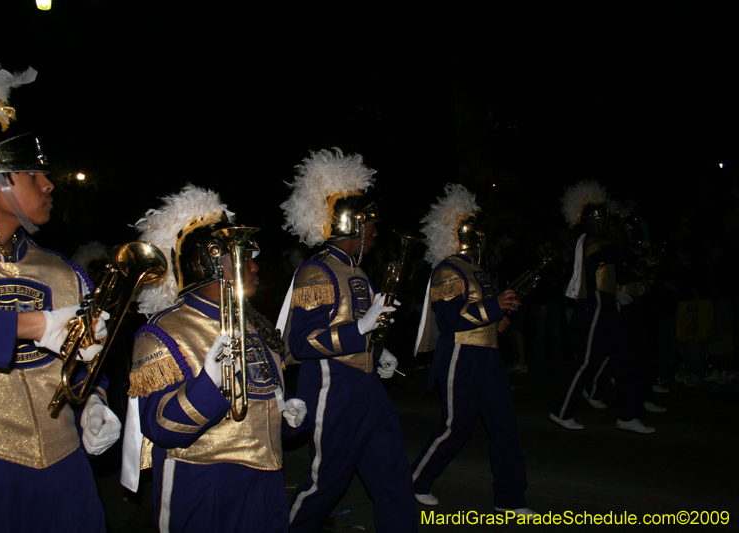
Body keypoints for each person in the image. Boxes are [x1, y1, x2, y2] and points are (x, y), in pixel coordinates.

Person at [0, 44, 119, 532]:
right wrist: (33, 324)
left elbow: (85, 359)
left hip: (64, 465)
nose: (49, 184)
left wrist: (94, 401)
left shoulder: (62, 271)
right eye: (34, 172)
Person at [121, 184, 307, 533]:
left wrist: (285, 414)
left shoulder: (250, 321)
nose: (254, 267)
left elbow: (258, 396)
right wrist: (209, 386)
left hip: (267, 478)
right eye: (244, 257)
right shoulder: (164, 330)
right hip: (203, 483)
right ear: (212, 262)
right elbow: (160, 427)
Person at [277, 148, 417, 533]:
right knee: (325, 486)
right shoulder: (316, 271)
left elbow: (356, 324)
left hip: (366, 388)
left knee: (393, 479)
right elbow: (303, 343)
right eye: (369, 224)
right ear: (351, 225)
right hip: (332, 390)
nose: (375, 231)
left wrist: (378, 348)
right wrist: (361, 331)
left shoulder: (354, 270)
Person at [411, 183, 534, 515]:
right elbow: (450, 319)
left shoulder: (478, 271)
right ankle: (415, 483)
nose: (481, 237)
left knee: (504, 427)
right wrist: (494, 309)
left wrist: (497, 323)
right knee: (456, 427)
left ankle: (509, 500)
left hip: (488, 358)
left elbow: (479, 314)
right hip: (461, 357)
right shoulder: (448, 269)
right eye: (475, 231)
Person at [550, 179, 654, 434]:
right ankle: (561, 411)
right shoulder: (590, 239)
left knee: (625, 359)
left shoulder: (599, 241)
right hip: (594, 307)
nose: (608, 223)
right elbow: (610, 255)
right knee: (586, 362)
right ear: (594, 220)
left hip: (606, 307)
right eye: (604, 218)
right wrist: (634, 252)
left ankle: (629, 416)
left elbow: (614, 270)